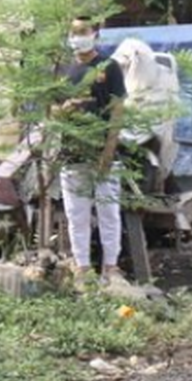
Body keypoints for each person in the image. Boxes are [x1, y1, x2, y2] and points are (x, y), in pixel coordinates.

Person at [58, 17, 127, 285]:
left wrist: (108, 152)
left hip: (102, 154)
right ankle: (83, 267)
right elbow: (53, 111)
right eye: (73, 32)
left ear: (94, 33)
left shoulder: (109, 67)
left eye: (83, 31)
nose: (77, 36)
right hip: (72, 155)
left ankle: (111, 267)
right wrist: (63, 110)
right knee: (77, 215)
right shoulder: (65, 70)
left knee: (108, 212)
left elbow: (118, 111)